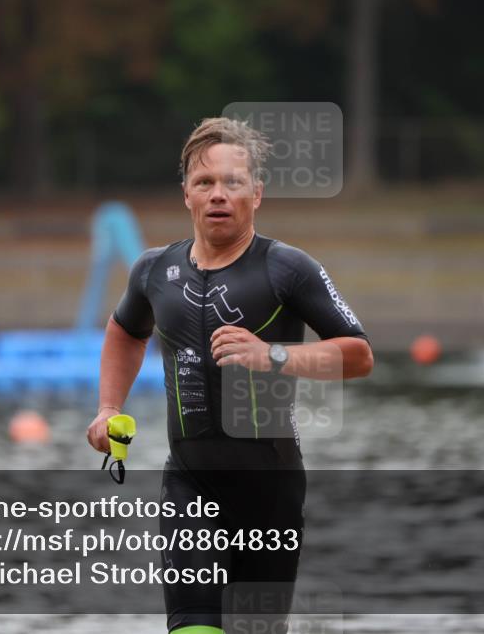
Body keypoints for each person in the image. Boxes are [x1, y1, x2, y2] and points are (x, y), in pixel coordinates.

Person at [87, 117, 373, 634]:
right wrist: (109, 407)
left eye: (232, 182)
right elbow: (125, 332)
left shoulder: (287, 268)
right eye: (205, 183)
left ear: (257, 194)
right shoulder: (154, 271)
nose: (218, 195)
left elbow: (359, 355)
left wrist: (275, 356)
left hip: (270, 492)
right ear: (187, 196)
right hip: (190, 483)